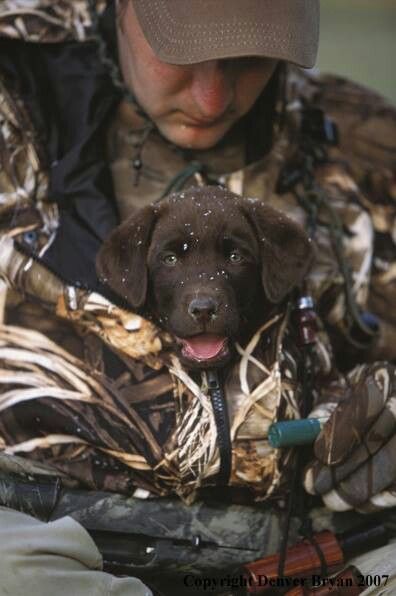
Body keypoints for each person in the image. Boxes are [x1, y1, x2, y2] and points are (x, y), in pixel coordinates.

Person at [0, 1, 395, 595]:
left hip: (311, 549)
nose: (212, 99)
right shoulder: (16, 88)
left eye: (249, 58)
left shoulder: (368, 147)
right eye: (180, 51)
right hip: (48, 533)